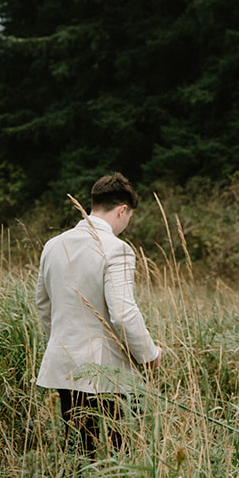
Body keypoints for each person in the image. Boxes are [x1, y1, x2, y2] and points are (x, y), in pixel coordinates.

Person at [35, 172, 161, 454]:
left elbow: (44, 305)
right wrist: (149, 355)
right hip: (107, 374)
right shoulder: (117, 250)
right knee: (119, 454)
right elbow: (123, 314)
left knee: (79, 452)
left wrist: (62, 342)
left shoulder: (53, 246)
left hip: (64, 366)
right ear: (123, 209)